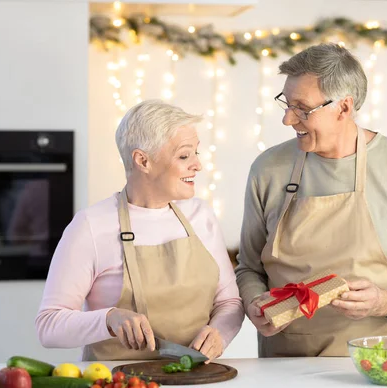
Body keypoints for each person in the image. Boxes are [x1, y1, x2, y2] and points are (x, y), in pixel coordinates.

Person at [235, 43, 387, 357]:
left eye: (302, 108)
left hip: (386, 363)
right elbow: (248, 269)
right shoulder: (268, 169)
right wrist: (257, 302)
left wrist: (384, 301)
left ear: (343, 107)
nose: (287, 119)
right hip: (289, 364)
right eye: (286, 103)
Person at [36, 99, 244, 361]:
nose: (197, 165)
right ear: (142, 161)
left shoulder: (201, 216)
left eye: (196, 153)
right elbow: (48, 326)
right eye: (184, 155)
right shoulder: (91, 226)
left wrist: (220, 334)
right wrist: (109, 319)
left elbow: (229, 303)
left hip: (197, 381)